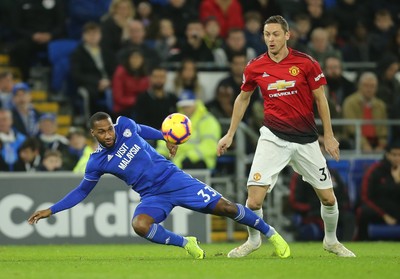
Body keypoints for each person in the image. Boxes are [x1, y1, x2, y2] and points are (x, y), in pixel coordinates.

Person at [28, 111, 290, 260]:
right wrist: (52, 210)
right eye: (102, 132)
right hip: (152, 195)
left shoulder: (126, 126)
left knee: (226, 207)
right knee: (139, 225)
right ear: (93, 134)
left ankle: (272, 235)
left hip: (174, 179)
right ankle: (185, 242)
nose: (109, 135)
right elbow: (82, 192)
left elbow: (142, 129)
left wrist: (166, 137)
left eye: (110, 129)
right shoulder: (96, 162)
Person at [217, 15, 355, 257]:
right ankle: (254, 240)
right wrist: (230, 134)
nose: (270, 39)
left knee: (329, 199)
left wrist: (329, 135)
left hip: (306, 140)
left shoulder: (306, 63)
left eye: (275, 34)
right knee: (253, 201)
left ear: (287, 35)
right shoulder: (255, 66)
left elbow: (321, 99)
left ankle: (331, 241)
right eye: (267, 34)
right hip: (273, 137)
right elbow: (243, 98)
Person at [355, 140, 400, 241]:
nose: (397, 158)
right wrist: (384, 215)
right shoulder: (375, 170)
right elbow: (365, 197)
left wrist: (397, 182)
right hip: (378, 209)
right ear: (387, 155)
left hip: (396, 208)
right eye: (394, 155)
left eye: (399, 155)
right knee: (363, 211)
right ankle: (362, 242)